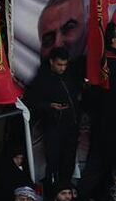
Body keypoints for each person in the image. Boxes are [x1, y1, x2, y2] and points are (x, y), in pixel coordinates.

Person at [25, 47, 82, 188]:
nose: (62, 68)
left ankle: (66, 191)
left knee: (69, 161)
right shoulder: (42, 79)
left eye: (64, 65)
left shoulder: (71, 74)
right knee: (53, 163)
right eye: (59, 64)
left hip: (71, 126)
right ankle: (52, 192)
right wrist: (49, 106)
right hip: (53, 127)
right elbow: (31, 101)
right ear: (51, 61)